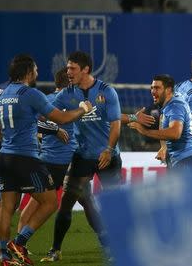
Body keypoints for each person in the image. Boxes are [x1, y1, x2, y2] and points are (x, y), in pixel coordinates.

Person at [0, 54, 92, 266]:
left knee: (6, 208)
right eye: (36, 70)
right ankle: (19, 242)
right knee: (50, 202)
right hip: (26, 158)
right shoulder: (31, 93)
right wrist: (82, 109)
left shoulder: (1, 95)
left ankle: (3, 256)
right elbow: (62, 118)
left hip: (4, 156)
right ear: (28, 72)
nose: (38, 73)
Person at [41, 51, 122, 262]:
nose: (68, 72)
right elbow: (48, 113)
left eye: (72, 68)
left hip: (108, 156)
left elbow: (116, 124)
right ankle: (55, 250)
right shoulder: (66, 94)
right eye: (67, 68)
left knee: (115, 204)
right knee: (67, 202)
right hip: (83, 155)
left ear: (85, 69)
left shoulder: (107, 91)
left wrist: (109, 149)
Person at [17, 67, 77, 233]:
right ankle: (20, 244)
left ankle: (20, 244)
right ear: (69, 83)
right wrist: (55, 130)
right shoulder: (62, 101)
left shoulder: (46, 100)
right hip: (57, 161)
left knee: (37, 204)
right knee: (43, 204)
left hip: (53, 159)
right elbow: (34, 123)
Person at [128, 74, 192, 171]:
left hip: (185, 162)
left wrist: (144, 131)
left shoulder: (175, 106)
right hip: (183, 159)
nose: (153, 92)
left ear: (168, 90)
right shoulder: (173, 102)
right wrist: (163, 147)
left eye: (157, 88)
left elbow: (175, 133)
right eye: (152, 88)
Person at [156, 54, 192, 164]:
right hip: (185, 157)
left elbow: (163, 115)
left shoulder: (179, 87)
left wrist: (163, 146)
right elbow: (189, 128)